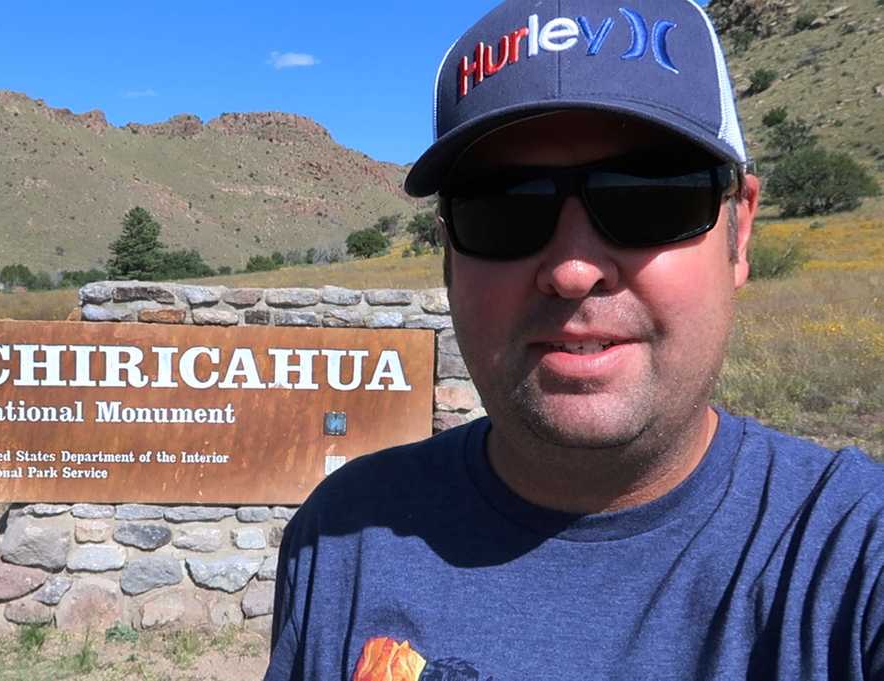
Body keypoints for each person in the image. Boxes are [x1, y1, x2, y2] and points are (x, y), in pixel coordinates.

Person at [263, 1, 884, 679]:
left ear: (741, 233)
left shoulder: (853, 558)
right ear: (448, 256)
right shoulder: (342, 539)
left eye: (651, 196)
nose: (572, 269)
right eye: (504, 207)